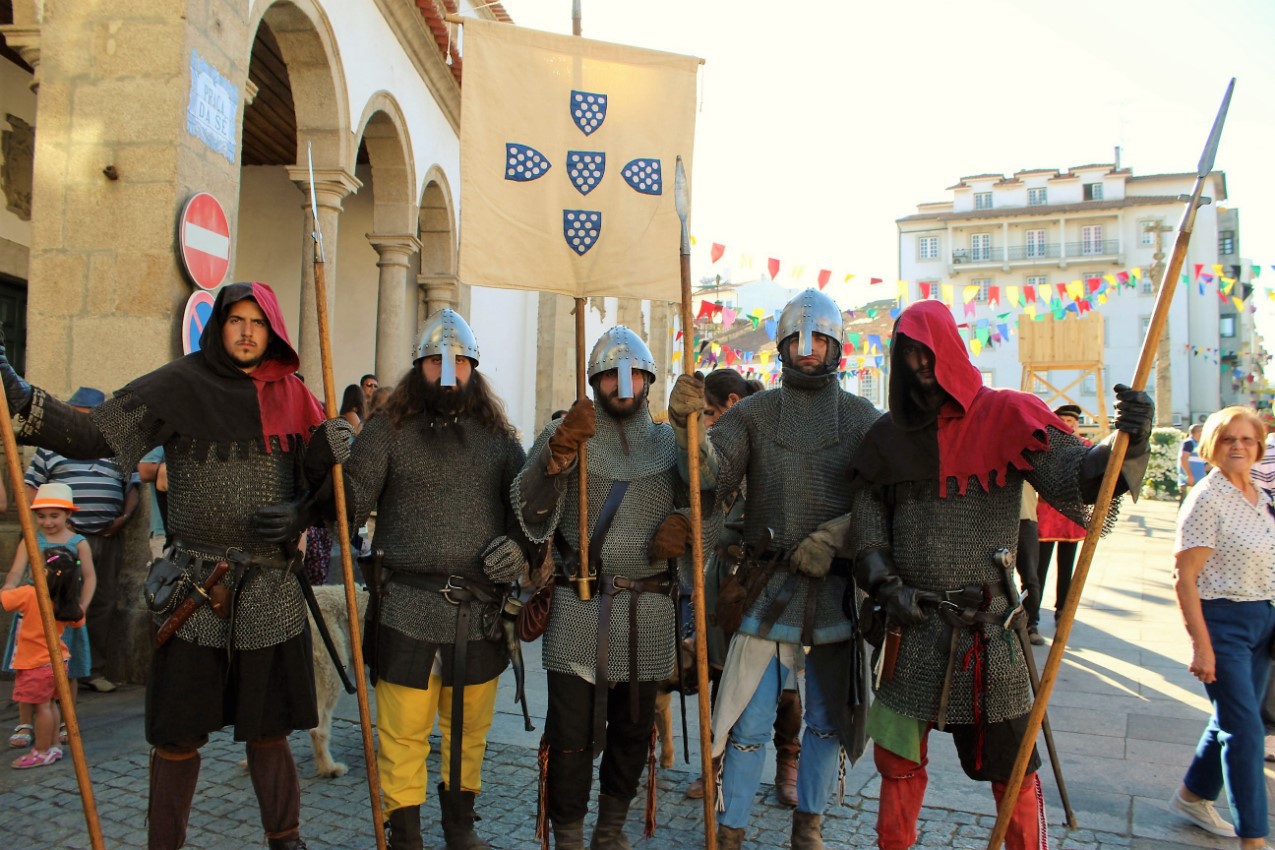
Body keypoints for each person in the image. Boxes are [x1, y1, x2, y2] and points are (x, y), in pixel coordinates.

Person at [0, 281, 347, 850]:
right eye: (235, 320)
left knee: (270, 731)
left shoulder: (297, 396)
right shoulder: (179, 384)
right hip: (194, 587)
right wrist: (19, 396)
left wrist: (301, 512)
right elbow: (94, 433)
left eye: (257, 323)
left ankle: (286, 840)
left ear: (273, 330)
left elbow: (331, 494)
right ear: (219, 326)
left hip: (269, 589)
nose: (245, 331)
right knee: (177, 735)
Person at [846, 300, 1152, 850]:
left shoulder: (1008, 413)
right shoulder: (885, 438)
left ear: (952, 353)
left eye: (928, 353)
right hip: (909, 632)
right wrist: (888, 588)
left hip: (989, 633)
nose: (919, 366)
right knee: (895, 765)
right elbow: (868, 534)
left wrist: (1130, 442)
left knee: (1015, 773)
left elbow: (1082, 478)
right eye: (908, 354)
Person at [667, 288, 881, 850]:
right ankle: (732, 826)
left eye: (819, 339)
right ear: (782, 346)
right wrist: (687, 428)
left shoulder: (862, 419)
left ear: (837, 346)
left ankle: (807, 824)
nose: (807, 349)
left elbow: (885, 501)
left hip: (833, 594)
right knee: (748, 722)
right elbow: (710, 477)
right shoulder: (755, 414)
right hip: (766, 591)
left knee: (826, 724)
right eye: (797, 339)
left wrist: (839, 534)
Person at [340, 309, 529, 850]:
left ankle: (460, 828)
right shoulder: (386, 432)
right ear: (418, 366)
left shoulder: (497, 439)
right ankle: (405, 836)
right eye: (435, 361)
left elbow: (525, 515)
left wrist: (515, 549)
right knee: (402, 732)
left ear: (474, 367)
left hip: (479, 608)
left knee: (468, 733)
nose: (448, 371)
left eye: (459, 362)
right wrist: (335, 463)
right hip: (408, 603)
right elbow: (348, 510)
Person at [513, 326, 690, 850]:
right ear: (594, 380)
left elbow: (710, 501)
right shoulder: (566, 433)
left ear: (649, 378)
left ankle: (609, 830)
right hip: (579, 605)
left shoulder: (669, 442)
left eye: (632, 372)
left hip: (649, 608)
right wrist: (556, 460)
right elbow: (526, 511)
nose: (623, 382)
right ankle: (568, 834)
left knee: (633, 734)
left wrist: (683, 521)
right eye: (611, 373)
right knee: (569, 738)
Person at [678, 369, 806, 807]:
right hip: (724, 578)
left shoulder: (772, 440)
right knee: (719, 676)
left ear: (732, 404)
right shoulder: (717, 453)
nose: (708, 424)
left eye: (710, 414)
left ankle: (788, 764)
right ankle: (714, 766)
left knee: (785, 683)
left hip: (773, 579)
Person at [1169, 406, 1275, 850]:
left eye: (1247, 439)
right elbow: (1185, 578)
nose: (1238, 446)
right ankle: (1253, 837)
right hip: (1223, 623)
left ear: (1259, 446)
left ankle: (1193, 795)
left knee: (1231, 718)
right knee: (1246, 731)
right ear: (1212, 445)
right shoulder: (1206, 498)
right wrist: (1202, 647)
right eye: (1229, 439)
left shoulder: (1261, 494)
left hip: (1263, 620)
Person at [24, 385, 139, 694]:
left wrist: (123, 519)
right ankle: (51, 670)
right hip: (62, 539)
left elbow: (133, 489)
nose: (85, 421)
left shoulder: (118, 446)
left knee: (101, 603)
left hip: (106, 538)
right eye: (80, 415)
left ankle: (91, 670)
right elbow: (32, 487)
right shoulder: (50, 447)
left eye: (91, 417)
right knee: (57, 601)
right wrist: (47, 525)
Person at [3, 482, 96, 755]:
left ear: (67, 514)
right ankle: (24, 723)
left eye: (54, 515)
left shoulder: (79, 543)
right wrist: (10, 588)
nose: (47, 522)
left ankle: (67, 719)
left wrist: (83, 606)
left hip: (64, 614)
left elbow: (89, 577)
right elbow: (16, 572)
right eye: (41, 516)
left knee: (68, 670)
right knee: (27, 669)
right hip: (33, 614)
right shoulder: (31, 541)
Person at [1036, 404, 1091, 635]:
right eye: (1064, 420)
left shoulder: (1086, 446)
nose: (1069, 425)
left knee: (1067, 568)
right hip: (1047, 514)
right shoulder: (1044, 445)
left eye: (1072, 421)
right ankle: (1031, 615)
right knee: (1038, 569)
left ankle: (1062, 611)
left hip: (1070, 516)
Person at [1179, 423, 1207, 501]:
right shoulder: (1189, 443)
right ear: (1196, 432)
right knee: (1187, 501)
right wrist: (1189, 475)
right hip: (1190, 479)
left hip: (1199, 478)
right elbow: (1183, 458)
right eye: (1201, 431)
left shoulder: (1199, 444)